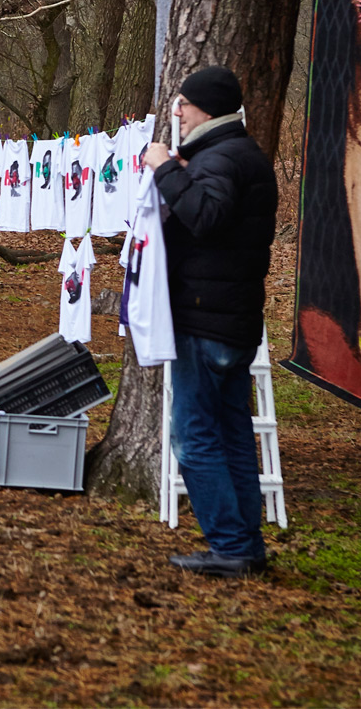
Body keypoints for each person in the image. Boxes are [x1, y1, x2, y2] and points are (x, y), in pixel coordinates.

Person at [143, 65, 276, 579]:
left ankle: (229, 545)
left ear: (206, 109)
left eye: (183, 103)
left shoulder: (221, 157)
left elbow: (208, 217)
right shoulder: (240, 155)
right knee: (233, 432)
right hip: (234, 319)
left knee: (194, 437)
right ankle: (246, 544)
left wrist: (166, 171)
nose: (176, 111)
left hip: (206, 321)